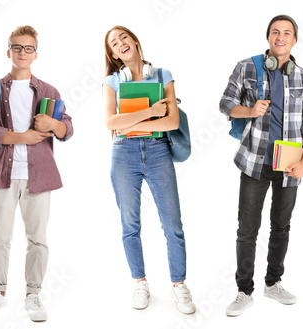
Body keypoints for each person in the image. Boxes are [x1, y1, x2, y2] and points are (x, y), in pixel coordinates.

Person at [220, 14, 303, 317]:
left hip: (289, 165)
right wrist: (250, 110)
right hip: (255, 160)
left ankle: (273, 282)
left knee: (281, 226)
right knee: (247, 229)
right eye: (275, 32)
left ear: (294, 40)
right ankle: (244, 290)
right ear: (268, 38)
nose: (281, 37)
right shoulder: (247, 66)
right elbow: (226, 104)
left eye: (287, 33)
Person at [0, 25, 74, 323]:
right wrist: (24, 137)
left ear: (36, 54)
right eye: (17, 47)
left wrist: (53, 127)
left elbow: (68, 128)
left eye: (28, 48)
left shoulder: (49, 91)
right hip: (4, 173)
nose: (22, 52)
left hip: (39, 175)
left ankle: (33, 295)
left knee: (38, 238)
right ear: (9, 51)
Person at [102, 25, 194, 314]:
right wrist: (150, 112)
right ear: (114, 55)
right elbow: (110, 123)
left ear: (135, 40)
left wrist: (130, 122)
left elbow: (172, 123)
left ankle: (179, 285)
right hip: (123, 155)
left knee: (173, 224)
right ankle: (140, 282)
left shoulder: (163, 75)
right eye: (114, 44)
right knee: (130, 225)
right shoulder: (112, 81)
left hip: (158, 151)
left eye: (123, 37)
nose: (120, 44)